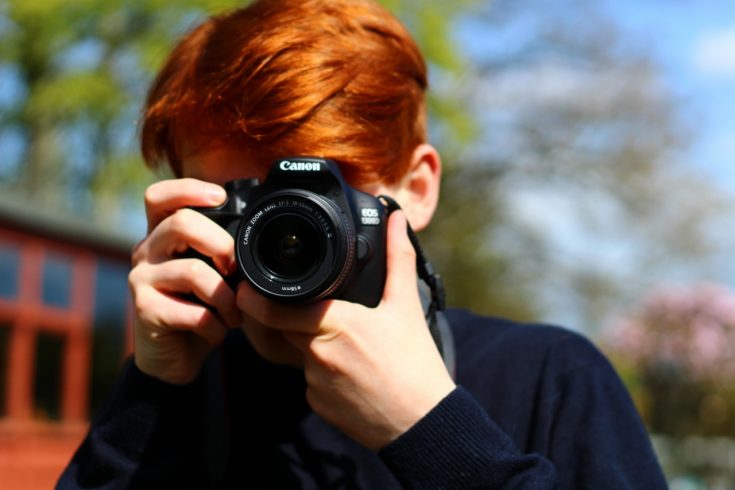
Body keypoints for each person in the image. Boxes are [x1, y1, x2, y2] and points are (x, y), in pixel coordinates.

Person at [58, 0, 668, 488]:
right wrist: (149, 392)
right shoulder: (185, 388)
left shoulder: (549, 379)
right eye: (245, 197)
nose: (285, 227)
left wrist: (431, 430)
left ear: (418, 188)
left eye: (328, 193)